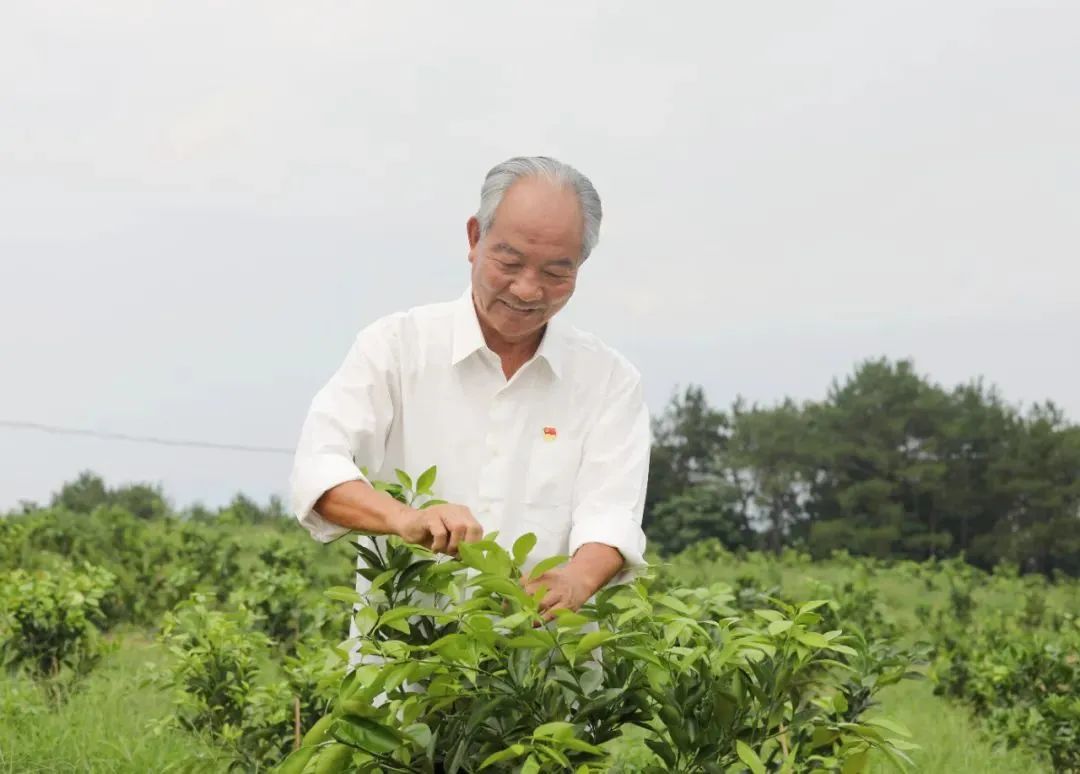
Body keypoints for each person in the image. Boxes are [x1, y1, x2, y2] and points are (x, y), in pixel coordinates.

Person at [289, 156, 650, 621]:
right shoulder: (397, 347)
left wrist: (577, 578)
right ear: (475, 238)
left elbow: (612, 511)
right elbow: (319, 466)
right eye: (510, 261)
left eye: (556, 273)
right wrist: (406, 518)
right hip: (407, 666)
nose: (526, 290)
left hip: (547, 677)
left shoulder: (608, 380)